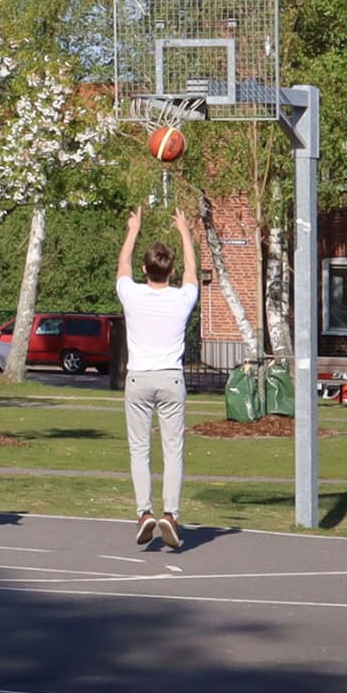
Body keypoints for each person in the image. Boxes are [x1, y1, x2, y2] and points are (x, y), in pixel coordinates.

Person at [114, 204, 200, 551]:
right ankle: (171, 514)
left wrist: (133, 229)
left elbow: (122, 266)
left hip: (138, 378)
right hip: (170, 378)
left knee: (139, 449)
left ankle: (144, 512)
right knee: (173, 450)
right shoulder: (182, 298)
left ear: (145, 269)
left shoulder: (132, 294)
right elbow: (193, 272)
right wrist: (184, 231)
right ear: (171, 269)